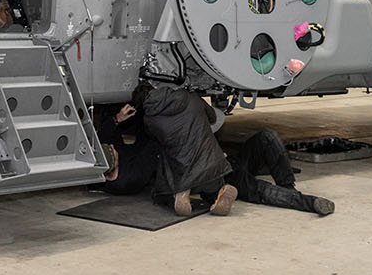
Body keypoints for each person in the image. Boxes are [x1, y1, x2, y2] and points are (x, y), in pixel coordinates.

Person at [133, 83, 239, 217]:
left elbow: (154, 139)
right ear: (156, 88)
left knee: (162, 188)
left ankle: (180, 194)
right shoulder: (190, 97)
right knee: (210, 188)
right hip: (212, 163)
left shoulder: (149, 119)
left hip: (183, 170)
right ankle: (220, 193)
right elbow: (213, 117)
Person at [221, 125, 335, 217]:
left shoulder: (203, 109)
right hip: (222, 174)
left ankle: (288, 187)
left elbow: (215, 118)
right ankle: (310, 203)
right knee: (260, 189)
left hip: (230, 161)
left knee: (267, 136)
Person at [95, 103, 160, 196]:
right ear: (114, 162)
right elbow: (153, 149)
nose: (112, 147)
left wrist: (117, 119)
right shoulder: (133, 177)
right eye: (111, 150)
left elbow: (102, 137)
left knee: (108, 116)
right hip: (141, 157)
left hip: (128, 155)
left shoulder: (104, 171)